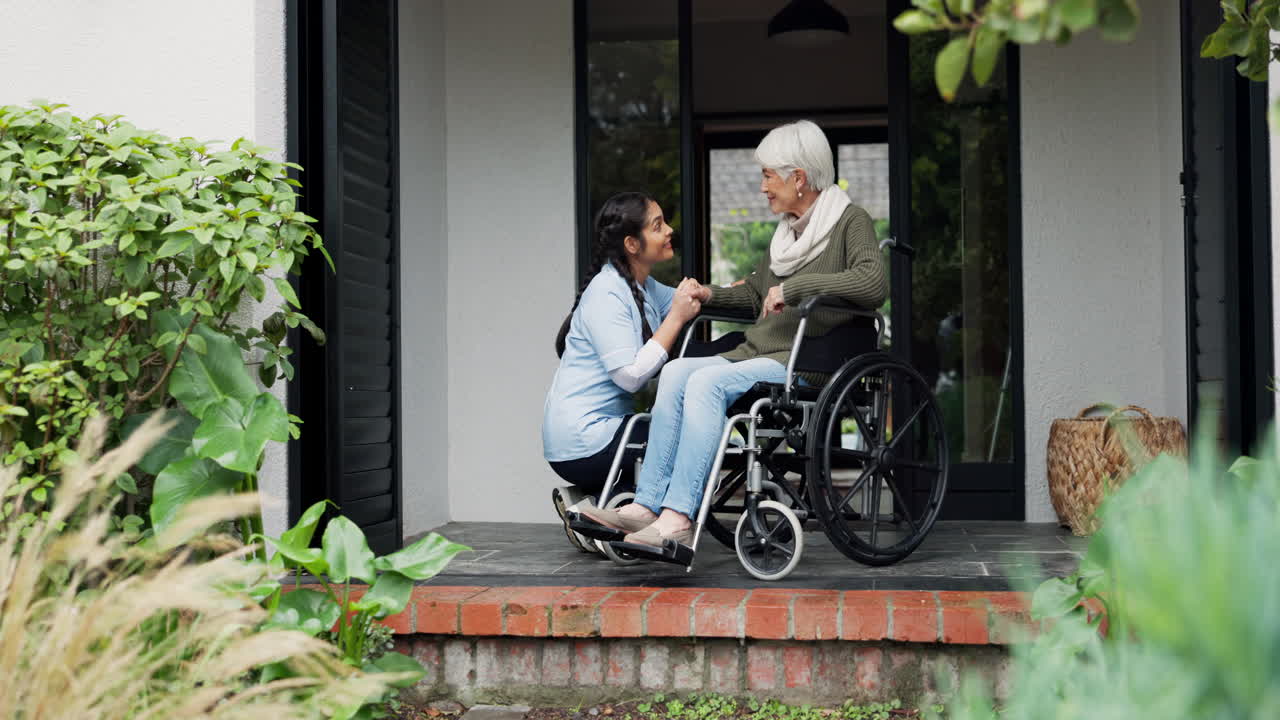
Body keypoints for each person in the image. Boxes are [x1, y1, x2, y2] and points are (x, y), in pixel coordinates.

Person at [580, 120, 888, 550]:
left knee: (706, 382)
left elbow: (872, 283)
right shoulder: (785, 236)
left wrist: (795, 289)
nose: (762, 187)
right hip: (761, 353)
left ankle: (678, 518)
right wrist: (706, 295)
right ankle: (647, 505)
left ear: (798, 178)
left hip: (810, 359)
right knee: (676, 372)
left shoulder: (849, 221)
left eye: (767, 175)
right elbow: (756, 298)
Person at [543, 191, 703, 551]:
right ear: (632, 243)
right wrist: (676, 318)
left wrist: (744, 293)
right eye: (658, 225)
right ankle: (642, 518)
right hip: (585, 441)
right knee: (688, 431)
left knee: (664, 430)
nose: (669, 230)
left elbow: (685, 297)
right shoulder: (607, 293)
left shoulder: (641, 286)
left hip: (596, 435)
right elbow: (630, 376)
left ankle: (593, 505)